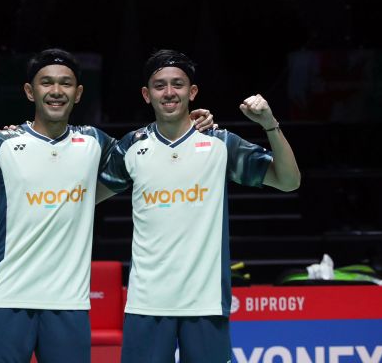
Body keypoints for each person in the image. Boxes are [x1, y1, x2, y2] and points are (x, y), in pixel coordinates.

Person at [0, 48, 215, 363]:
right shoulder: (2, 144)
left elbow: (151, 148)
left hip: (69, 303)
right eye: (46, 82)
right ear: (30, 91)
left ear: (78, 93)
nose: (56, 91)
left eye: (65, 83)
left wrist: (190, 122)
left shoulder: (95, 142)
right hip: (7, 297)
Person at [98, 49, 301, 363]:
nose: (169, 92)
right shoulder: (132, 147)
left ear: (192, 92)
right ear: (146, 94)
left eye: (177, 84)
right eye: (160, 85)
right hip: (147, 302)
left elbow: (288, 181)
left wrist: (269, 124)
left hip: (205, 302)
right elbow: (83, 198)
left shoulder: (220, 143)